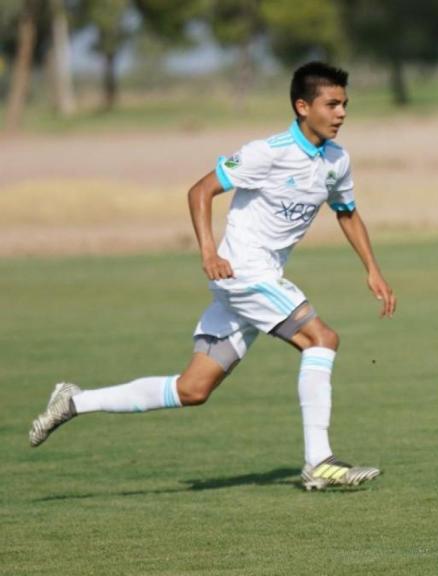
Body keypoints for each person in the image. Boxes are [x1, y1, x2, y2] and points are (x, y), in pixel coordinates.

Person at [29, 62, 396, 491]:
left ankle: (73, 401)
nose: (341, 113)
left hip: (257, 278)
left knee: (193, 389)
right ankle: (320, 462)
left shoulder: (336, 160)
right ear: (302, 106)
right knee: (323, 339)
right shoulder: (268, 152)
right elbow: (200, 191)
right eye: (332, 104)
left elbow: (347, 213)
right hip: (243, 272)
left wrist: (372, 269)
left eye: (345, 104)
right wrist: (208, 251)